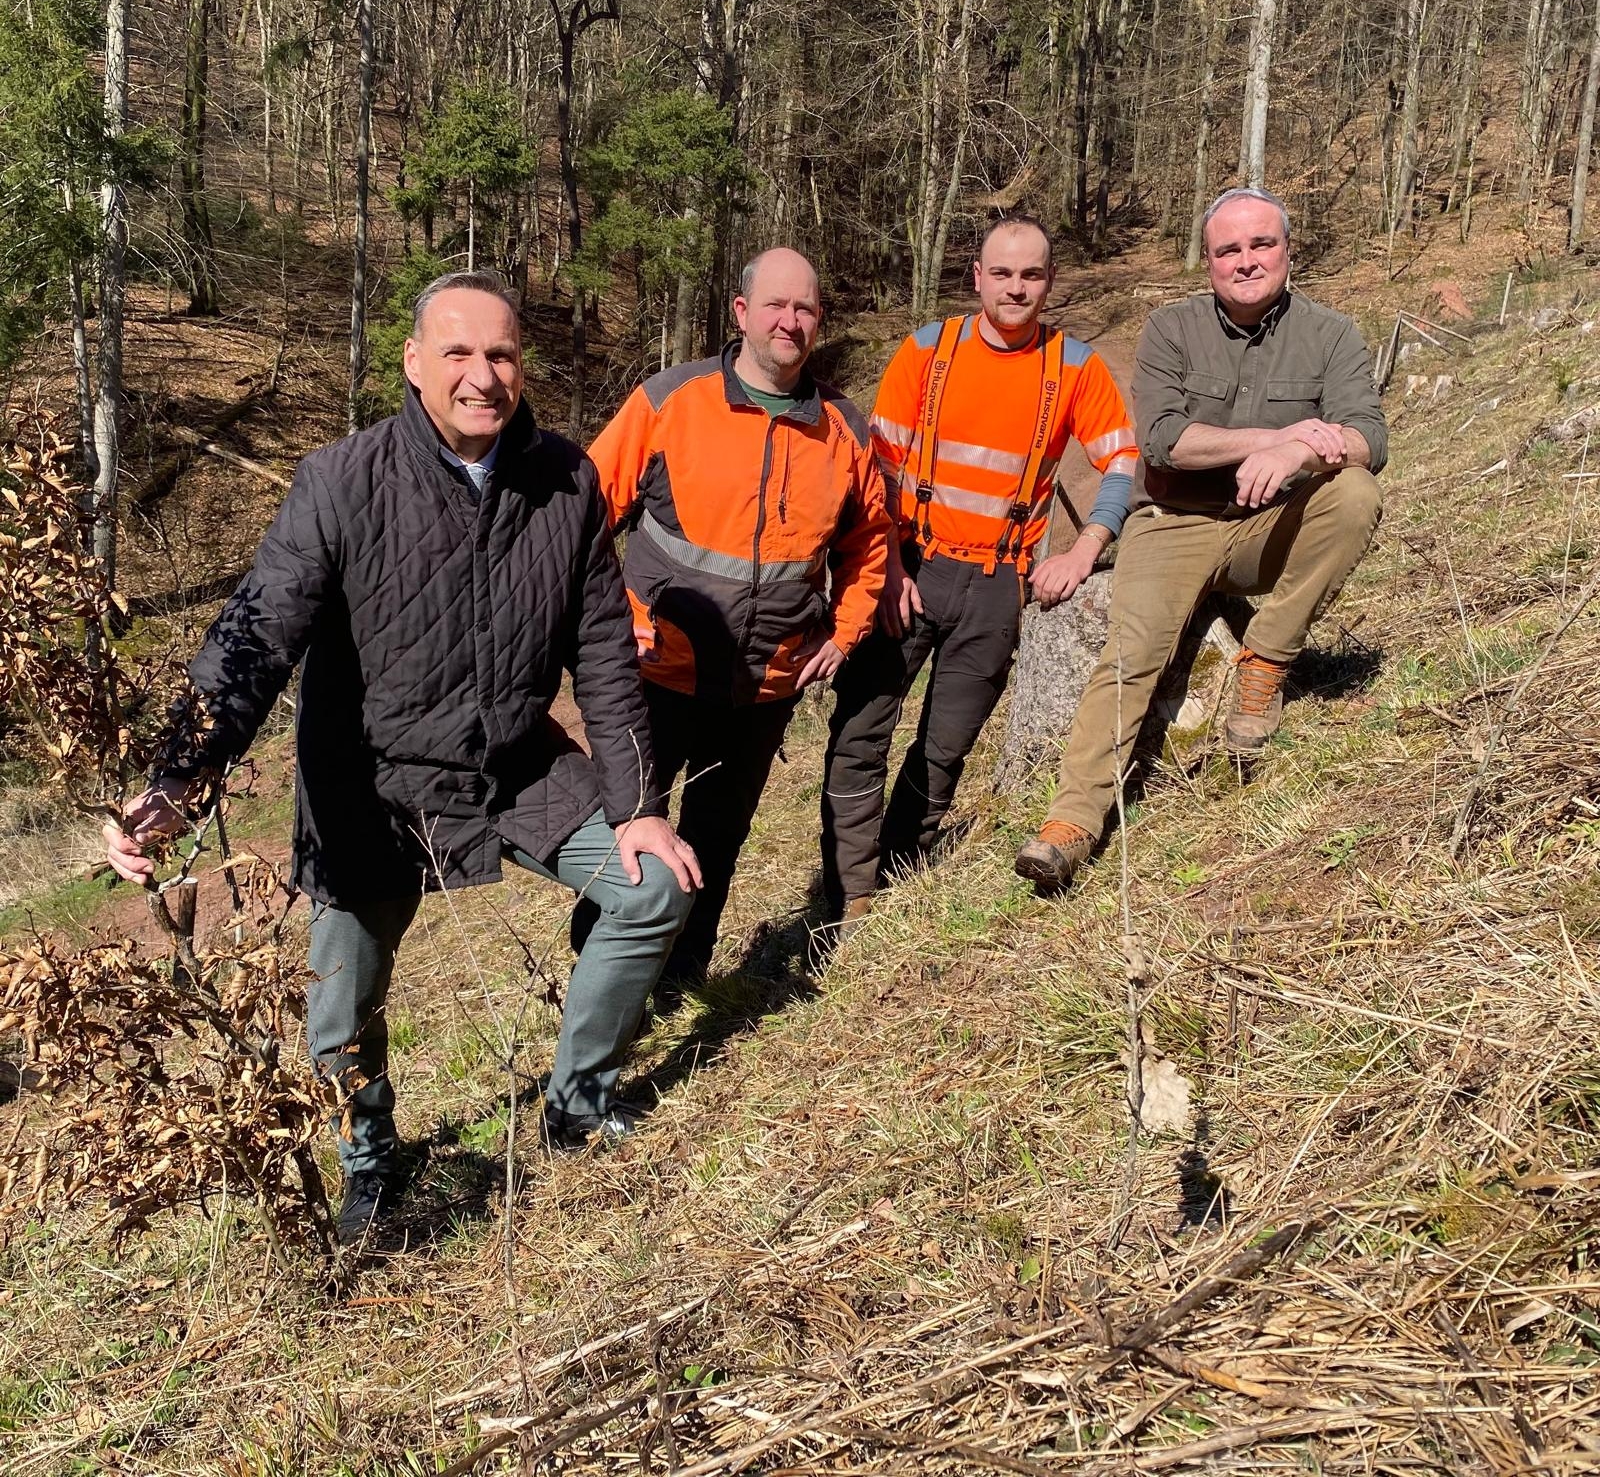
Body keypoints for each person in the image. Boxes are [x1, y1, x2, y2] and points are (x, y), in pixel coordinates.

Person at [102, 271, 701, 1246]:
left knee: (649, 887)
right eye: (457, 353)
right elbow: (256, 635)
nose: (482, 375)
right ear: (414, 364)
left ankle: (576, 1100)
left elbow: (601, 650)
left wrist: (636, 803)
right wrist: (179, 776)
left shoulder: (568, 482)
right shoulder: (341, 481)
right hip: (374, 785)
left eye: (501, 353)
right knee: (337, 1015)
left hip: (515, 768)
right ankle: (372, 1158)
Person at [1014, 186, 1388, 893]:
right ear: (1209, 262)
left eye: (1261, 244)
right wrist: (1281, 434)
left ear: (1287, 248)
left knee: (1355, 493)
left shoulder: (1331, 334)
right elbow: (1164, 442)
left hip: (1267, 523)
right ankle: (1073, 821)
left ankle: (1267, 658)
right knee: (1134, 651)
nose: (1247, 261)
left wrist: (1302, 458)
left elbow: (1368, 437)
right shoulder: (1172, 329)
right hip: (1173, 523)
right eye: (1229, 250)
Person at [820, 215, 1137, 932]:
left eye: (1031, 275)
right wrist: (890, 564)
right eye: (1002, 273)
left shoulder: (1075, 367)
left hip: (997, 586)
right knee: (860, 734)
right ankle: (845, 894)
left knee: (944, 749)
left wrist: (1085, 548)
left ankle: (898, 878)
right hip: (911, 568)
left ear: (1049, 282)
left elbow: (1123, 459)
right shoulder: (930, 351)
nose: (1016, 288)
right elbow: (877, 470)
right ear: (978, 277)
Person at [587, 248, 889, 999]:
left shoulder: (843, 430)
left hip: (764, 684)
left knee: (716, 842)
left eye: (807, 309)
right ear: (742, 312)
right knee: (630, 839)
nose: (791, 321)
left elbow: (870, 543)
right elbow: (583, 514)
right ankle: (598, 986)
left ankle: (680, 979)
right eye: (777, 305)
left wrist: (846, 632)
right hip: (657, 672)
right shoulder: (672, 400)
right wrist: (614, 619)